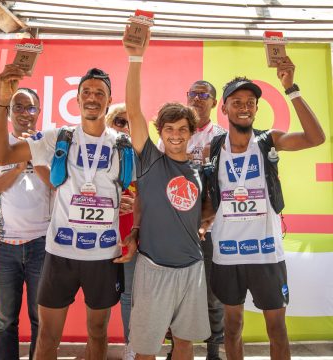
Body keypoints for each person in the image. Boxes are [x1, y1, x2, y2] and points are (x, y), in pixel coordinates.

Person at [0, 64, 136, 360]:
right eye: (86, 92)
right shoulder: (58, 137)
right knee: (47, 337)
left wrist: (134, 232)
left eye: (99, 93)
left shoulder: (123, 144)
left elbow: (146, 191)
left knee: (97, 333)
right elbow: (0, 155)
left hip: (103, 256)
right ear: (78, 99)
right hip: (60, 254)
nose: (92, 97)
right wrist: (2, 102)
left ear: (109, 99)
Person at [203, 57, 325, 360]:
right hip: (227, 253)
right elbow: (209, 196)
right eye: (237, 101)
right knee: (232, 328)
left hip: (266, 252)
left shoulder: (268, 140)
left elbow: (316, 138)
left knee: (277, 330)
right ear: (225, 107)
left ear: (256, 108)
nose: (244, 106)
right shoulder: (213, 148)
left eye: (250, 102)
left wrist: (291, 88)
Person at [124, 28, 213, 360]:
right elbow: (133, 111)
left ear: (191, 133)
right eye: (169, 129)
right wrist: (136, 57)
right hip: (155, 269)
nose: (176, 135)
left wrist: (204, 224)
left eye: (183, 129)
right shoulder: (150, 161)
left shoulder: (199, 171)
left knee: (186, 344)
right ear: (160, 131)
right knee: (147, 349)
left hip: (192, 268)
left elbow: (204, 211)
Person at [0, 88, 53, 360]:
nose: (24, 113)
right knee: (5, 321)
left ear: (39, 112)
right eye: (17, 107)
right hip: (3, 246)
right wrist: (18, 165)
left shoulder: (49, 144)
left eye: (30, 108)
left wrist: (35, 157)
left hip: (42, 244)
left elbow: (60, 187)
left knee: (40, 320)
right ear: (8, 113)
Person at [158, 80, 226, 360]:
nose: (197, 98)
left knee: (213, 294)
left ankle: (214, 352)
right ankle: (177, 350)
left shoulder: (223, 136)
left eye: (204, 94)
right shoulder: (173, 133)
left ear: (214, 102)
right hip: (178, 228)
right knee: (177, 294)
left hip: (212, 229)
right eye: (193, 94)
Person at [106, 103, 137, 360]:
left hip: (129, 234)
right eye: (119, 121)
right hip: (96, 236)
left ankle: (131, 348)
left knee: (128, 296)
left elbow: (150, 196)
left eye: (129, 123)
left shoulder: (139, 155)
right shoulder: (95, 154)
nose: (125, 127)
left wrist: (136, 205)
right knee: (100, 299)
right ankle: (97, 348)